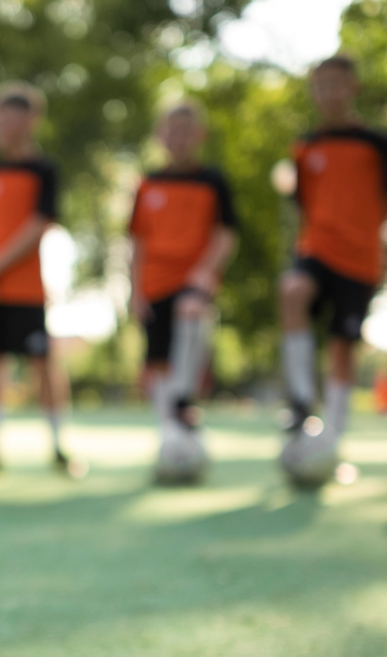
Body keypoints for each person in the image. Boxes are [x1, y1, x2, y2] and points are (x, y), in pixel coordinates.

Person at [0, 82, 79, 475]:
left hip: (27, 290)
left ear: (31, 121)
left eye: (12, 117)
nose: (3, 125)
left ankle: (60, 446)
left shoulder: (44, 171)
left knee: (43, 364)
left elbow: (38, 225)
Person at [278, 55, 387, 447]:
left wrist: (376, 247)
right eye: (320, 85)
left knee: (342, 347)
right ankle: (300, 400)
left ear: (352, 87)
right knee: (292, 292)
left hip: (360, 258)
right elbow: (302, 207)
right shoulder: (305, 147)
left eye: (335, 84)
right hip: (315, 249)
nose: (328, 93)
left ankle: (334, 440)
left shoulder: (377, 145)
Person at [128, 101, 238, 453]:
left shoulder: (213, 181)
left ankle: (181, 404)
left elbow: (226, 234)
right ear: (160, 135)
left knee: (190, 312)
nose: (179, 137)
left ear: (200, 135)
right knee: (158, 360)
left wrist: (205, 273)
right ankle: (171, 434)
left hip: (192, 279)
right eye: (172, 129)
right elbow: (137, 241)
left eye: (187, 130)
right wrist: (135, 291)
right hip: (153, 283)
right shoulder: (147, 184)